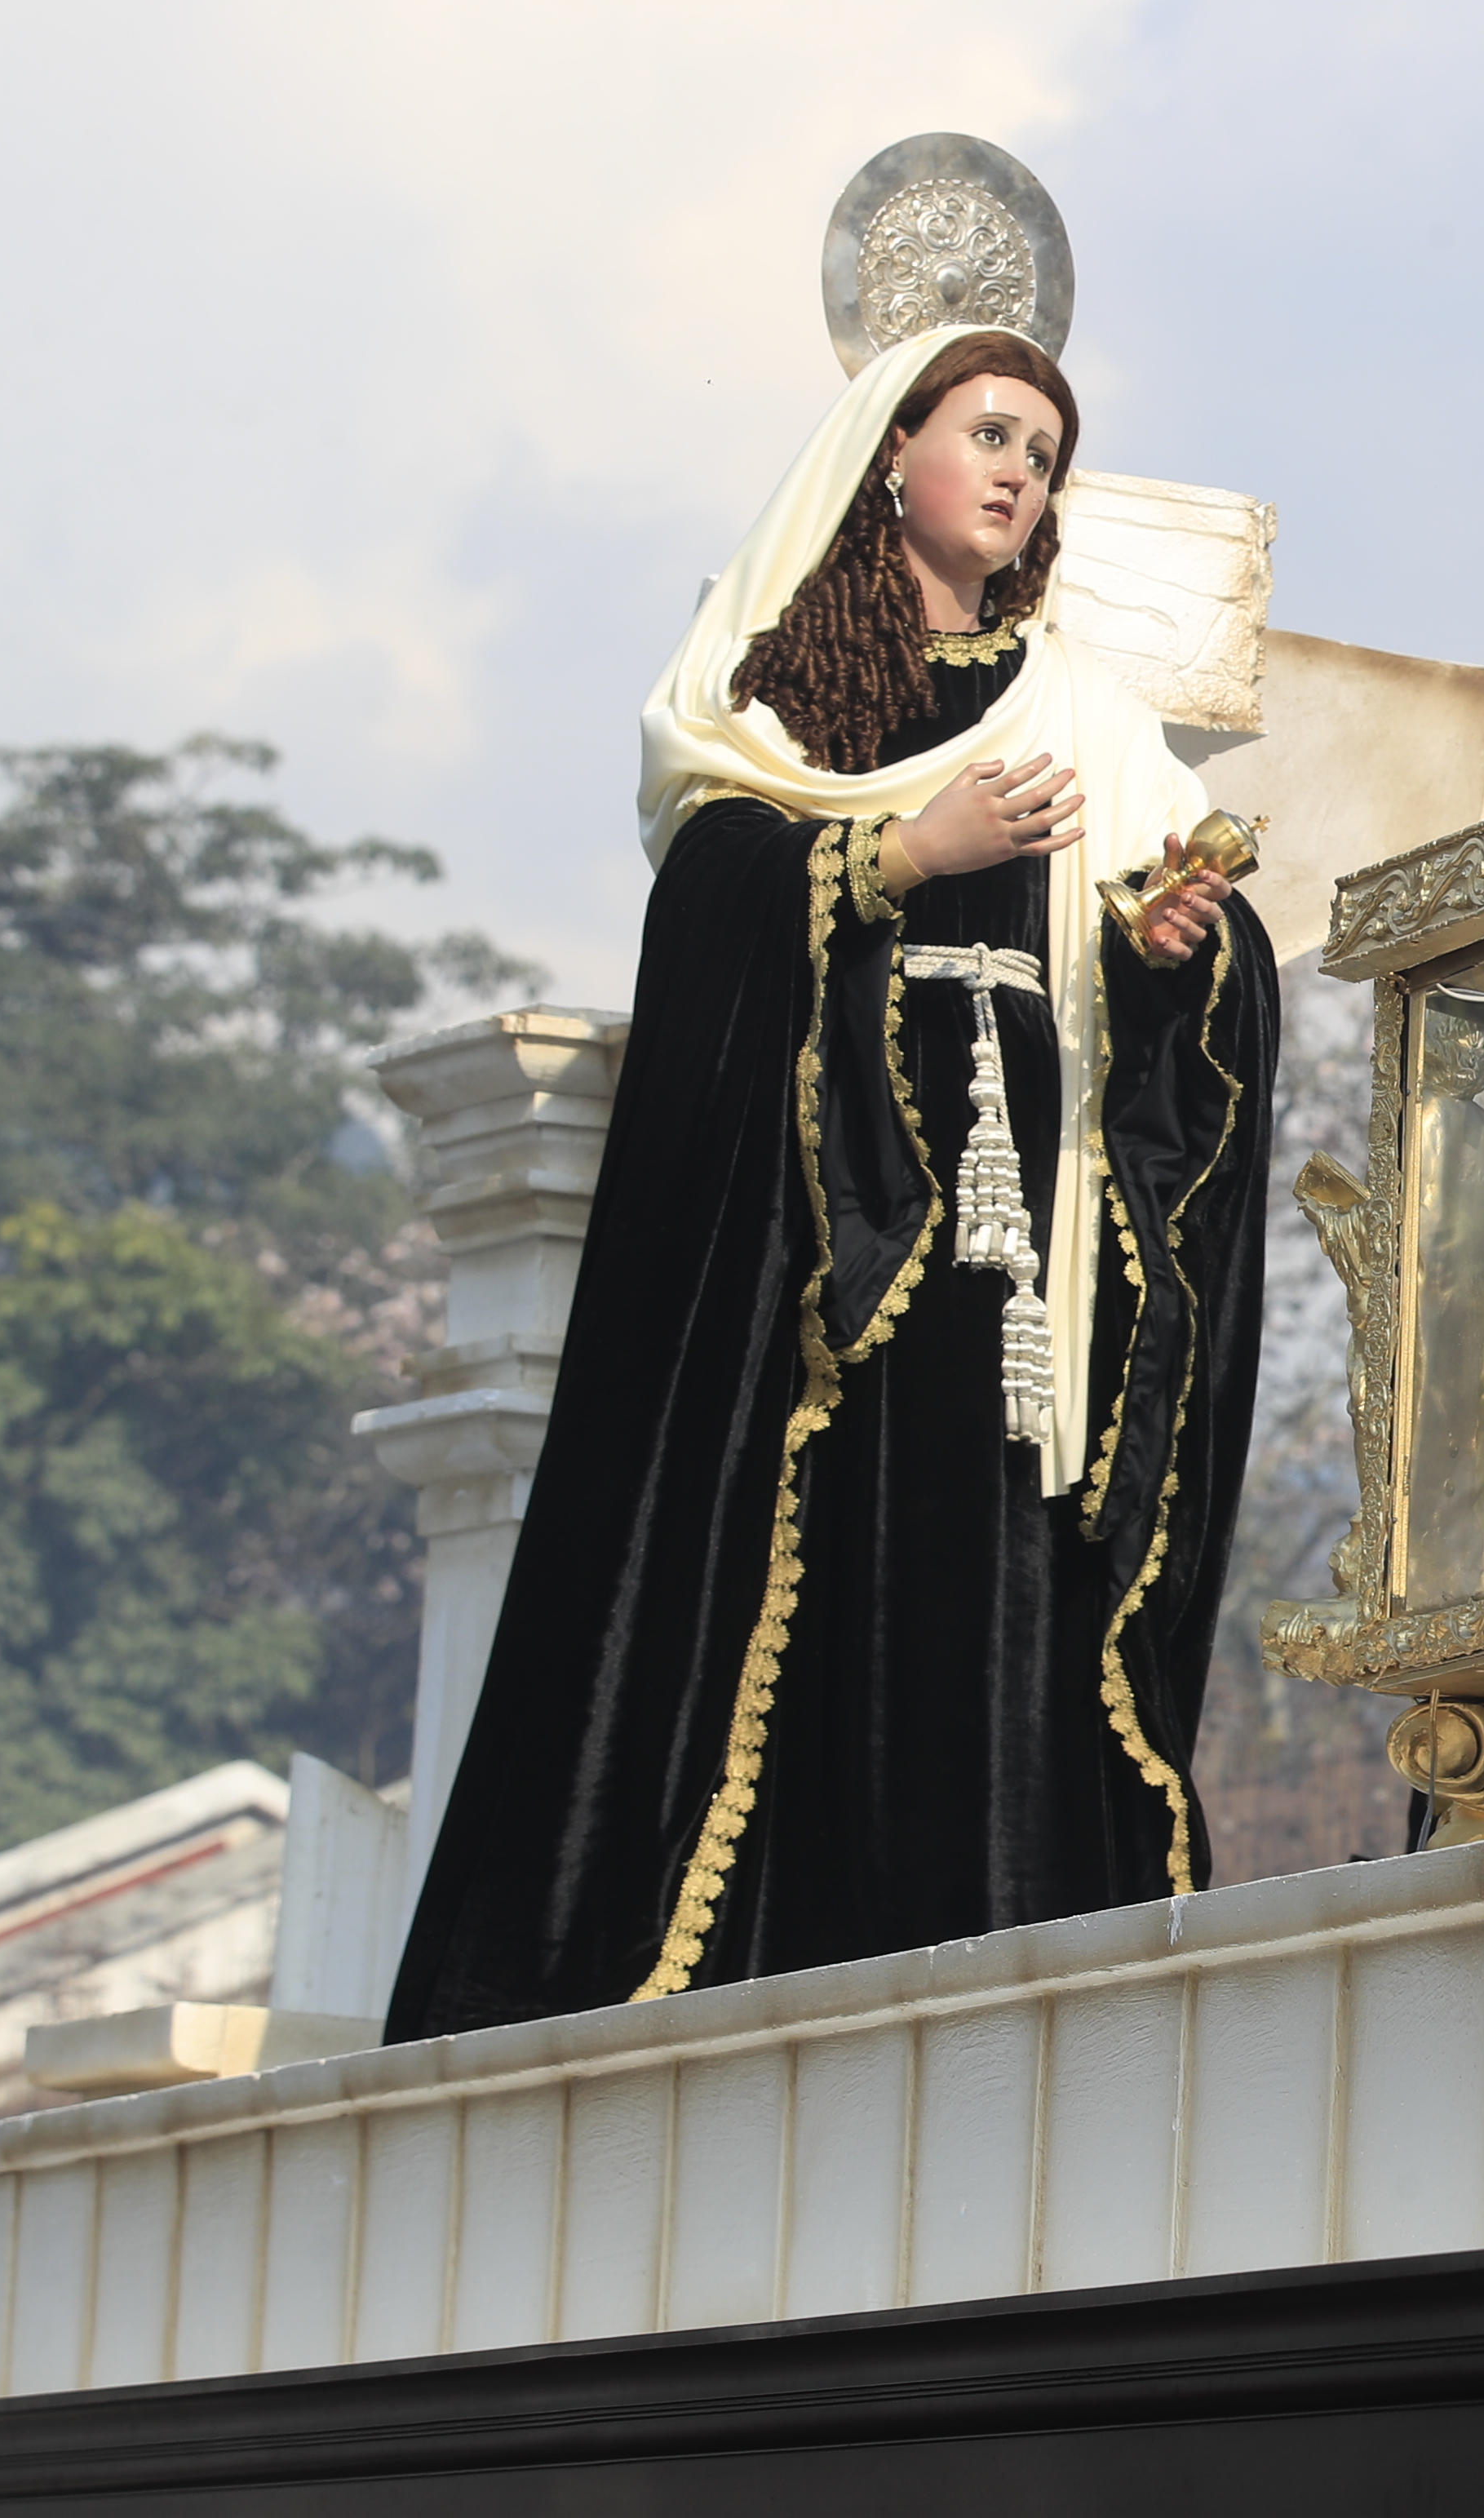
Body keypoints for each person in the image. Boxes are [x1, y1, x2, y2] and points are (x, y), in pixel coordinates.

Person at [388, 326, 1278, 2036]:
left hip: (1031, 1264)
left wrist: (1180, 942)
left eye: (1044, 451)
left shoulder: (1084, 700)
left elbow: (1170, 953)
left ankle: (1006, 1963)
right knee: (823, 1576)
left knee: (1007, 1580)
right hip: (832, 1263)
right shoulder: (788, 694)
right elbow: (712, 895)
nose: (1020, 472)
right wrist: (896, 851)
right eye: (991, 432)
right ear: (895, 453)